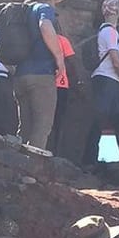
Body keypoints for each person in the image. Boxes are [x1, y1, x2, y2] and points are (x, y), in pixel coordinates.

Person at [14, 0, 66, 150]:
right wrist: (59, 58)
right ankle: (33, 164)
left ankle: (18, 162)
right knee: (42, 125)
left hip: (20, 76)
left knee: (25, 126)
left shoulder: (22, 14)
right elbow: (45, 26)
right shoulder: (44, 8)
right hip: (41, 75)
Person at [89, 0, 119, 172]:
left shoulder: (103, 31)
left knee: (109, 119)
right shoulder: (111, 32)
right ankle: (100, 161)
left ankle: (104, 159)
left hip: (105, 79)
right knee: (108, 119)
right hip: (108, 79)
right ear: (118, 13)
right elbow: (116, 60)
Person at [47, 23, 84, 156]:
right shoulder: (62, 40)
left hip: (45, 84)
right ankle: (55, 153)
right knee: (58, 121)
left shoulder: (40, 39)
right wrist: (78, 82)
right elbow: (71, 62)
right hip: (61, 85)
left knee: (44, 120)